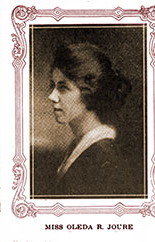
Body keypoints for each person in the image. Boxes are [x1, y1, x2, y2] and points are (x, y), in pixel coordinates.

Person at [46, 43, 134, 196]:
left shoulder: (103, 155)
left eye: (63, 88)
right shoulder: (79, 145)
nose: (51, 96)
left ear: (89, 93)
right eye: (53, 86)